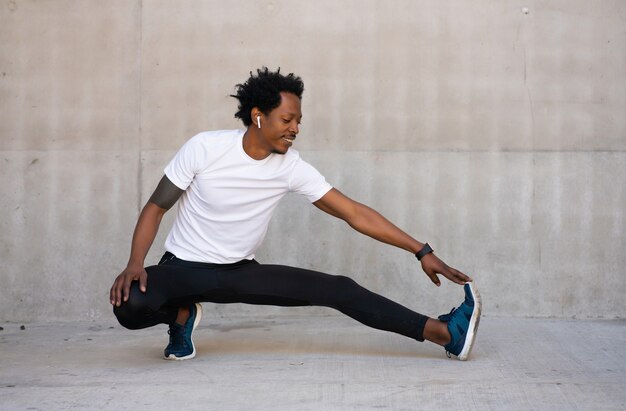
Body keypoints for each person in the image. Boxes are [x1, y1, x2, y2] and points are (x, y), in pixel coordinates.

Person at [110, 67, 481, 361]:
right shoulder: (205, 148)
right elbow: (157, 207)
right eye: (287, 119)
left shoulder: (290, 167)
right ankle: (181, 317)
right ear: (258, 117)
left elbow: (354, 213)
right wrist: (135, 263)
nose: (296, 129)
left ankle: (444, 333)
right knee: (130, 303)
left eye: (299, 120)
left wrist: (421, 250)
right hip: (182, 269)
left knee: (339, 289)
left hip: (240, 272)